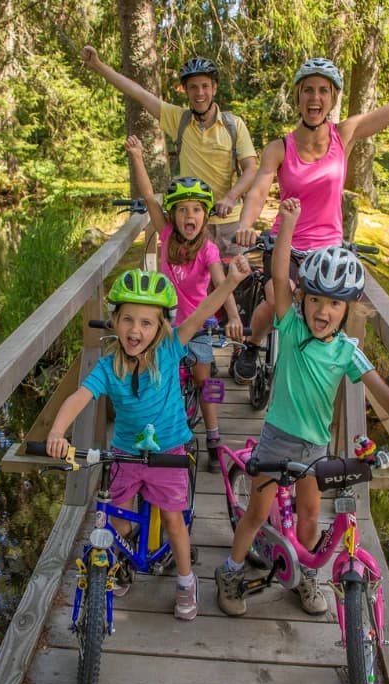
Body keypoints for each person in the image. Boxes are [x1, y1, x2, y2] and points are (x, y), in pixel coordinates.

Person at [215, 197, 389, 617]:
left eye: (334, 304)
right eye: (316, 300)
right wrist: (290, 225)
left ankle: (308, 574)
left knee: (311, 517)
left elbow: (384, 392)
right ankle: (230, 570)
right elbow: (280, 274)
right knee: (258, 514)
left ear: (347, 309)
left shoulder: (347, 352)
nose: (323, 310)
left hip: (315, 448)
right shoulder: (291, 326)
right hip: (278, 438)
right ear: (303, 301)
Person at [230, 40, 389, 384]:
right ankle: (252, 344)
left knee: (331, 314)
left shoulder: (345, 135)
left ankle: (319, 379)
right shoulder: (279, 148)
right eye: (308, 90)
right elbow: (260, 189)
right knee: (275, 298)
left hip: (328, 248)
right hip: (286, 243)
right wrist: (247, 225)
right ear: (298, 97)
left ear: (333, 99)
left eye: (323, 91)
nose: (315, 98)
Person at [47, 257, 251, 621]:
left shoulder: (170, 349)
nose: (135, 329)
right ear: (115, 322)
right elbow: (80, 397)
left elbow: (202, 309)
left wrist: (231, 281)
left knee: (174, 521)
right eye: (127, 319)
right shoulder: (109, 366)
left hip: (169, 451)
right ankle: (121, 565)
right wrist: (57, 431)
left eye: (145, 322)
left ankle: (187, 582)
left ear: (159, 327)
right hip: (125, 452)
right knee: (118, 522)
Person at [124, 134, 244, 471]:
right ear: (173, 216)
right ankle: (160, 429)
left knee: (206, 380)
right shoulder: (165, 236)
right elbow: (148, 196)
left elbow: (222, 285)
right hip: (165, 327)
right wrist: (137, 155)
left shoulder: (208, 249)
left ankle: (214, 436)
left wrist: (232, 317)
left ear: (204, 217)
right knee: (159, 379)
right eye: (182, 210)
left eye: (196, 210)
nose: (189, 216)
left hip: (198, 326)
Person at [81, 46, 259, 257]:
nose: (199, 93)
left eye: (205, 86)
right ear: (186, 90)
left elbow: (250, 169)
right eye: (193, 87)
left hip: (230, 222)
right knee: (196, 287)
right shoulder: (179, 120)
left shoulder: (233, 124)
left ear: (214, 88)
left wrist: (230, 198)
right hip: (193, 224)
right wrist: (98, 65)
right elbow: (138, 93)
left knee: (238, 283)